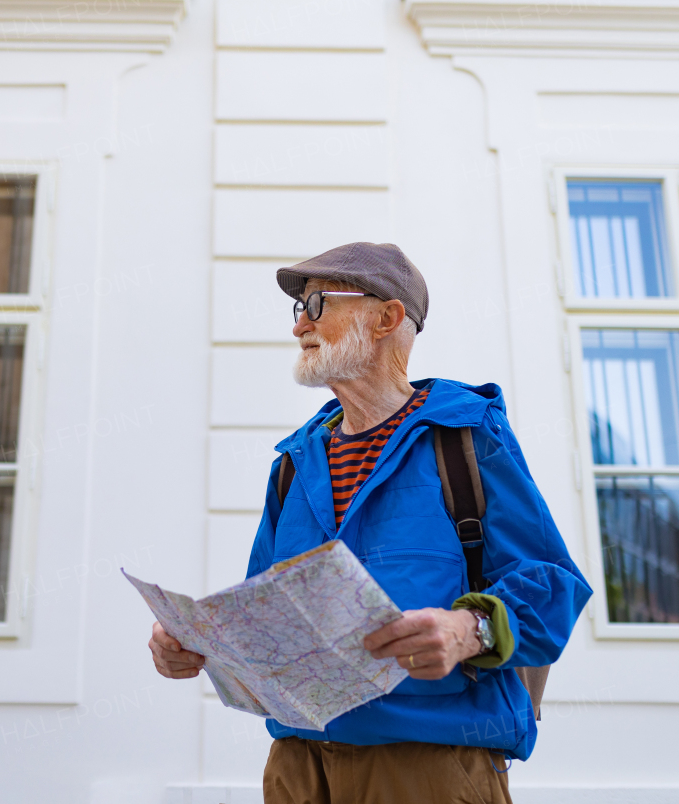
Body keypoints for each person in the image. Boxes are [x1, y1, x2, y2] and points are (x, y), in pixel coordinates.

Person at [149, 242, 592, 804]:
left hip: (429, 767)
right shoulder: (293, 463)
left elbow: (553, 586)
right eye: (298, 309)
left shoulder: (467, 440)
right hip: (296, 770)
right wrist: (197, 643)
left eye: (318, 303)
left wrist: (469, 631)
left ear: (387, 318)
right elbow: (262, 611)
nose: (299, 326)